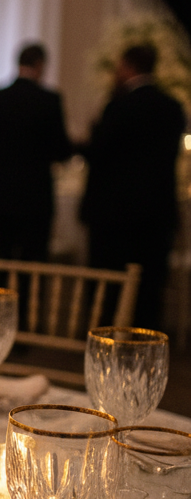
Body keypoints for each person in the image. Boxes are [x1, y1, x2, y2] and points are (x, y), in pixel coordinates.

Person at [79, 42, 186, 330]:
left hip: (115, 214)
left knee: (110, 286)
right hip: (156, 212)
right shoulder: (173, 107)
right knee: (149, 287)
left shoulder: (119, 106)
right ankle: (145, 338)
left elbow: (99, 153)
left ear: (127, 66)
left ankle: (107, 337)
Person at [0, 43, 73, 262]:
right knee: (33, 264)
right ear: (40, 65)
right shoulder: (49, 101)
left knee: (0, 259)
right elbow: (61, 151)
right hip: (35, 198)